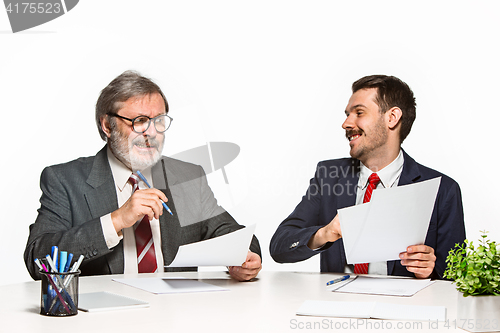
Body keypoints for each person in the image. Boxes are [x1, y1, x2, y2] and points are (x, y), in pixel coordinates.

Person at [25, 70, 261, 282]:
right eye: (139, 122)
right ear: (107, 125)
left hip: (176, 317)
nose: (151, 133)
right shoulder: (64, 180)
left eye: (159, 121)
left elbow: (229, 232)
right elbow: (38, 259)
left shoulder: (186, 177)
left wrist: (244, 257)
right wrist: (116, 220)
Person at [269, 75, 465, 279]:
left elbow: (456, 278)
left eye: (359, 113)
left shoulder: (443, 189)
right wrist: (325, 233)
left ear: (392, 117)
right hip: (338, 304)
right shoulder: (329, 177)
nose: (346, 123)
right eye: (347, 114)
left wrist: (429, 269)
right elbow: (279, 247)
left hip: (403, 307)